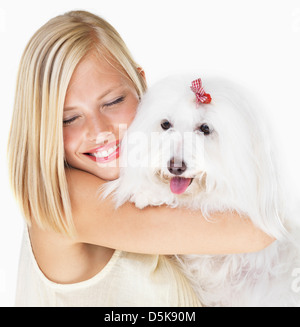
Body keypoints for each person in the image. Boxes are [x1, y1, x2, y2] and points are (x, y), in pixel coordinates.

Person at [7, 10, 274, 307]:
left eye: (113, 102)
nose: (100, 131)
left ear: (143, 86)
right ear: (42, 129)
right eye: (69, 118)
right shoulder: (66, 200)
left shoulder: (158, 183)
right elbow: (258, 230)